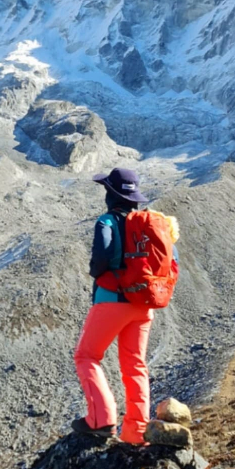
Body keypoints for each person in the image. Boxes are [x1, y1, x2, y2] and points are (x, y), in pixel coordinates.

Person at [72, 168, 160, 444]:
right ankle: (137, 432)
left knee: (87, 356)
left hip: (112, 300)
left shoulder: (107, 220)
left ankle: (101, 420)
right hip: (144, 304)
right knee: (134, 364)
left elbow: (101, 257)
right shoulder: (150, 224)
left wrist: (99, 275)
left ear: (112, 194)